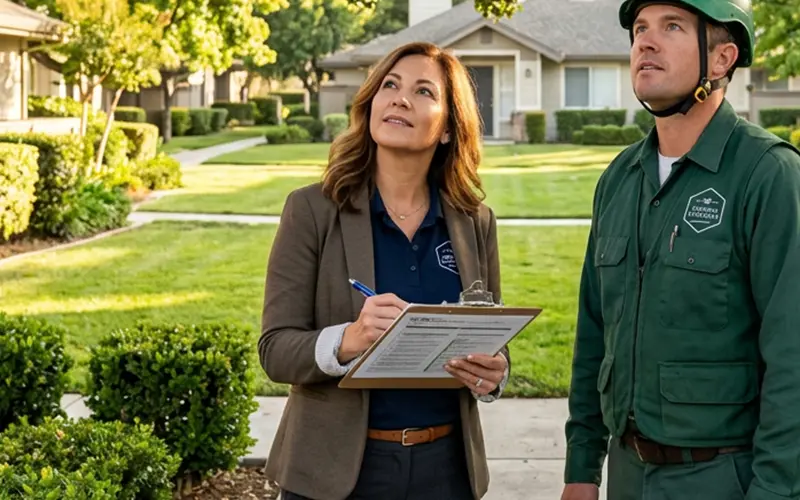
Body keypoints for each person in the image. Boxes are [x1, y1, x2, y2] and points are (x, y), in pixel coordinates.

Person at [561, 1, 800, 499]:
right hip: (627, 475)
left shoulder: (768, 175)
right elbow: (594, 333)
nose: (645, 42)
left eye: (671, 27)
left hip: (723, 477)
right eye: (640, 29)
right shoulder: (619, 179)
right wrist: (581, 470)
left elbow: (792, 356)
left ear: (722, 59)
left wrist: (776, 491)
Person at [258, 41, 511, 500]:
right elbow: (275, 351)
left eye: (423, 91)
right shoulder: (312, 210)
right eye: (390, 86)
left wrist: (494, 374)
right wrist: (349, 338)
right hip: (333, 476)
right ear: (371, 103)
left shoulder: (475, 221)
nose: (400, 99)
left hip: (446, 472)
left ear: (449, 128)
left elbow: (490, 336)